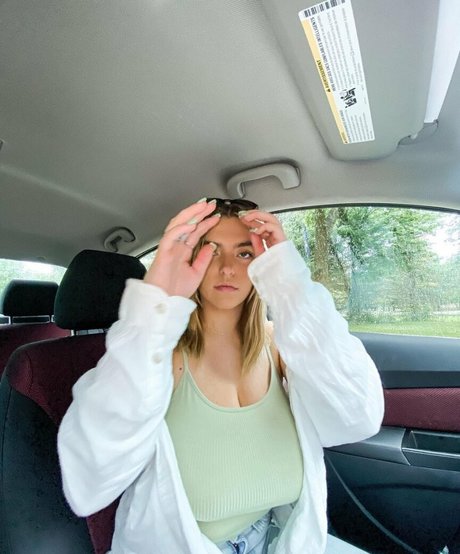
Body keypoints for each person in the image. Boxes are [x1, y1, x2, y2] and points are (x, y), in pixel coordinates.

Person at [58, 198, 384, 554]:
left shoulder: (282, 346)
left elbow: (359, 418)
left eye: (244, 254)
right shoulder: (156, 355)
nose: (227, 268)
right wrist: (155, 304)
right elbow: (88, 484)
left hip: (281, 538)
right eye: (211, 251)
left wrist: (291, 283)